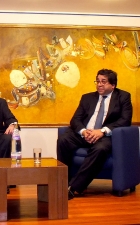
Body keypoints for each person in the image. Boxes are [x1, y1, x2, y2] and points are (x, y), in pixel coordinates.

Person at [57, 68, 132, 200]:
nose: (99, 84)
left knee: (100, 149)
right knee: (63, 140)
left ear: (113, 85)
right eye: (97, 81)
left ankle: (73, 187)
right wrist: (84, 131)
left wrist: (102, 131)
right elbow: (75, 119)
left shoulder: (123, 97)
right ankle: (62, 182)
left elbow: (125, 120)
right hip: (85, 133)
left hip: (106, 136)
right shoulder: (87, 98)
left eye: (103, 82)